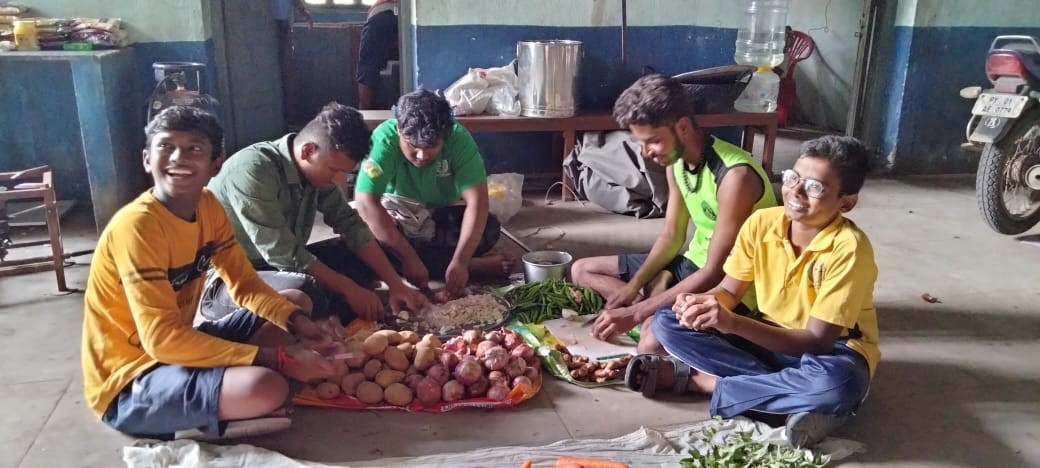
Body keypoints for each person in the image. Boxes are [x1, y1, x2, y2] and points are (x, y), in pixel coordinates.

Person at [82, 106, 337, 440]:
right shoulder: (138, 227)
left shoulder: (208, 206)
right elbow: (161, 340)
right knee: (266, 386)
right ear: (147, 159)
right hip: (130, 380)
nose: (178, 158)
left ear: (216, 164)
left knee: (295, 301)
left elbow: (245, 285)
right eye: (166, 146)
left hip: (178, 349)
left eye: (194, 149)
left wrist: (300, 324)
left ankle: (219, 395)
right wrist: (274, 359)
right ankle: (200, 420)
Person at [626, 135, 878, 449]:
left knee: (839, 384)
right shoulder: (762, 222)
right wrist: (703, 303)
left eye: (815, 187)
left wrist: (732, 323)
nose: (796, 191)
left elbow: (818, 340)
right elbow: (729, 291)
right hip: (767, 336)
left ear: (846, 202)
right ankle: (791, 401)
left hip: (831, 352)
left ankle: (703, 383)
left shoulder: (849, 249)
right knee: (667, 321)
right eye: (792, 178)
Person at [571, 74, 776, 351]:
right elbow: (671, 235)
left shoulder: (734, 177)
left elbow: (715, 271)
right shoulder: (676, 163)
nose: (646, 152)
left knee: (650, 345)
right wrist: (634, 286)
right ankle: (657, 305)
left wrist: (637, 312)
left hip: (731, 286)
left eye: (653, 141)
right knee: (582, 270)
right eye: (641, 143)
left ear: (682, 127)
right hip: (692, 264)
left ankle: (655, 312)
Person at [201, 102, 429, 323]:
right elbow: (284, 254)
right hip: (230, 281)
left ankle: (332, 316)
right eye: (334, 170)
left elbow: (351, 225)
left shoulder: (316, 173)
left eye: (344, 173)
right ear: (308, 151)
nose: (338, 179)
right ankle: (325, 320)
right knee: (303, 291)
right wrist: (348, 288)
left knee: (359, 260)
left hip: (278, 268)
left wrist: (397, 284)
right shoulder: (253, 170)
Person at [354, 89, 513, 301]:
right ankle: (470, 266)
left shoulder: (458, 138)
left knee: (488, 229)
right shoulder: (384, 140)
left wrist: (461, 260)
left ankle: (450, 264)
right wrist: (408, 257)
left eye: (432, 147)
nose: (421, 156)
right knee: (367, 238)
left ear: (444, 136)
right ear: (399, 130)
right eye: (413, 146)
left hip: (439, 217)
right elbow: (365, 202)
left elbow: (478, 202)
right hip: (400, 219)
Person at [356, 0, 399, 109]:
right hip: (408, 17)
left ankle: (365, 113)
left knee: (367, 69)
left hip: (381, 14)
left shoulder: (381, 14)